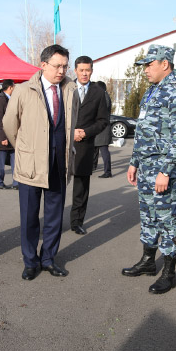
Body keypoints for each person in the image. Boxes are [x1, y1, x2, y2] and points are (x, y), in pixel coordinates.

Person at [121, 44, 176, 294]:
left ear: (165, 64)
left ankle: (169, 272)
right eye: (144, 66)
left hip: (162, 168)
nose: (145, 70)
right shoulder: (151, 92)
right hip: (146, 166)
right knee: (148, 216)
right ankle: (148, 262)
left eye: (149, 65)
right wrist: (134, 162)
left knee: (167, 219)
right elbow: (142, 132)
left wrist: (165, 171)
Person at [3, 44, 77, 281]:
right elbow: (9, 124)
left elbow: (70, 123)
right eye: (57, 65)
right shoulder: (24, 91)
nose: (62, 70)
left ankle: (48, 259)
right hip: (30, 165)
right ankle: (30, 261)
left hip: (59, 163)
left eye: (65, 66)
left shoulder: (70, 90)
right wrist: (25, 150)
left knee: (55, 216)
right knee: (29, 216)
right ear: (43, 65)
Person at [69, 56, 109, 235]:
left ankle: (77, 221)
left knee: (81, 187)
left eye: (88, 70)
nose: (84, 73)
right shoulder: (66, 88)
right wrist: (70, 132)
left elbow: (103, 121)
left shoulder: (98, 92)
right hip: (63, 143)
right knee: (56, 187)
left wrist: (85, 132)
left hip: (85, 146)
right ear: (75, 70)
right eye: (81, 70)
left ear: (92, 70)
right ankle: (51, 222)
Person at [0, 79, 17, 190]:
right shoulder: (0, 100)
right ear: (10, 87)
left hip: (12, 137)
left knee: (15, 161)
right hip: (2, 138)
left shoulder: (11, 100)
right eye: (14, 87)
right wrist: (2, 137)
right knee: (0, 162)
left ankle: (17, 182)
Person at [93, 80, 113, 178]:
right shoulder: (103, 96)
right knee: (95, 149)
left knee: (104, 150)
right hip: (99, 128)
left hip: (103, 129)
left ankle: (108, 172)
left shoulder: (104, 97)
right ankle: (93, 166)